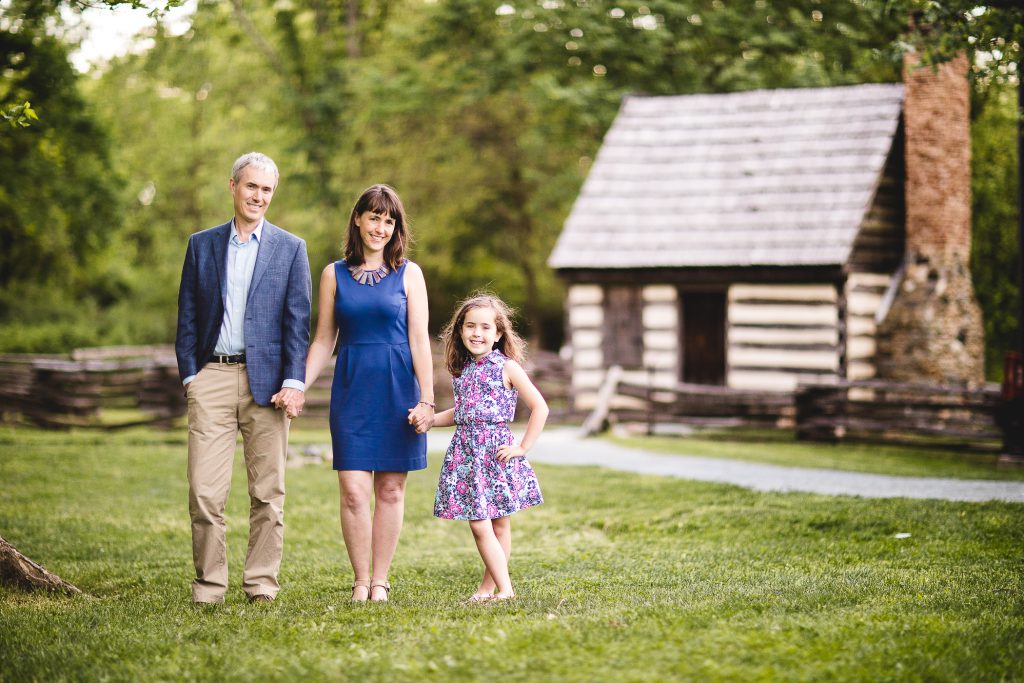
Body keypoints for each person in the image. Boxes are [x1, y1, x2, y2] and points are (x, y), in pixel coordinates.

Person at [175, 151, 311, 605]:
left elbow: (297, 323)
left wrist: (294, 380)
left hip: (268, 384)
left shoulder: (291, 249)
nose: (259, 196)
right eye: (251, 186)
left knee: (268, 492)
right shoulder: (201, 244)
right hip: (211, 375)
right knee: (204, 491)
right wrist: (191, 376)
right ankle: (210, 586)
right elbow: (188, 316)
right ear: (233, 186)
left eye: (267, 189)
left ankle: (261, 585)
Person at [293, 184, 433, 602]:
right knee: (353, 491)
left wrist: (426, 399)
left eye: (389, 220)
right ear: (357, 219)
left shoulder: (410, 273)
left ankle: (381, 581)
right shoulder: (332, 274)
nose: (381, 227)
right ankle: (359, 579)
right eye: (374, 217)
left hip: (398, 390)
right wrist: (297, 384)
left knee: (390, 489)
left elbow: (420, 340)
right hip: (352, 390)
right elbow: (322, 340)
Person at [424, 293, 547, 603]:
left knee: (487, 525)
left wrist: (523, 447)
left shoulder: (507, 367)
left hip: (495, 453)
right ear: (460, 331)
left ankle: (505, 590)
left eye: (485, 328)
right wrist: (428, 421)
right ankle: (487, 589)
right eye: (470, 326)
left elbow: (540, 407)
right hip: (467, 454)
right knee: (492, 524)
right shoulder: (462, 370)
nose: (477, 333)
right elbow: (462, 412)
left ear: (498, 334)